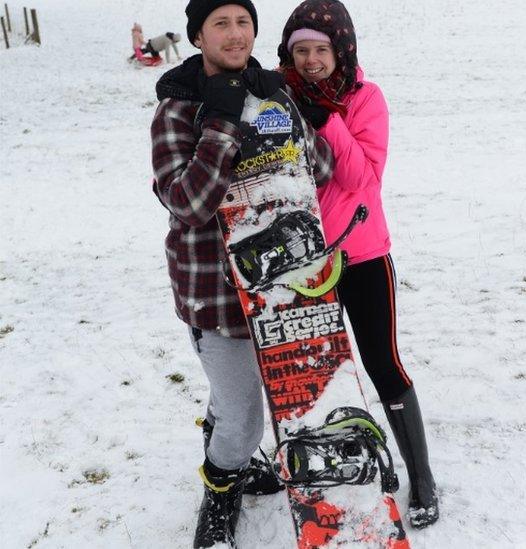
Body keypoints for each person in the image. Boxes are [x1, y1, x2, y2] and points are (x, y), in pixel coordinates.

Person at [150, 1, 334, 546]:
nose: (235, 35)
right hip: (215, 290)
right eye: (221, 24)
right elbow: (189, 203)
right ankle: (220, 487)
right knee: (247, 421)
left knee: (244, 400)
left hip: (283, 289)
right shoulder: (176, 112)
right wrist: (224, 125)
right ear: (198, 36)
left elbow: (319, 170)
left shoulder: (272, 93)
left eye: (244, 23)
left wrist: (289, 120)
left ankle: (221, 438)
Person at [277, 0, 439, 529]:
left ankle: (423, 477)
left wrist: (326, 119)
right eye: (300, 50)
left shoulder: (365, 99)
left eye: (320, 49)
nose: (310, 60)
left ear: (340, 49)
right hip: (300, 263)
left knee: (382, 364)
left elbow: (362, 178)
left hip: (362, 255)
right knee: (314, 376)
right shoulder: (276, 99)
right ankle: (332, 468)